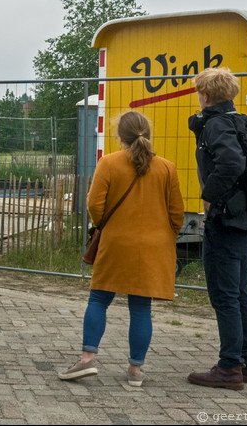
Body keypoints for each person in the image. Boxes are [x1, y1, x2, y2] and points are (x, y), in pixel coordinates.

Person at [58, 111, 184, 387]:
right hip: (154, 246)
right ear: (147, 134)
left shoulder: (109, 163)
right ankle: (135, 370)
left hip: (116, 242)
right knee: (141, 308)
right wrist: (163, 235)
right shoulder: (166, 168)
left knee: (99, 299)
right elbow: (177, 213)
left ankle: (88, 359)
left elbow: (94, 204)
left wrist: (105, 225)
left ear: (120, 137)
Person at [186, 67, 247, 391]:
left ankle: (228, 368)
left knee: (225, 297)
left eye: (199, 92)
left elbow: (232, 163)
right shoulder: (244, 122)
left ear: (205, 95)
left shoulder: (217, 124)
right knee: (240, 294)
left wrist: (208, 197)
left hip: (229, 222)